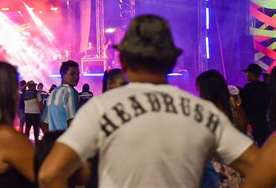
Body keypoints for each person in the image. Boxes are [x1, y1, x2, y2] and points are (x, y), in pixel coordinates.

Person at [39, 15, 258, 188]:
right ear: (172, 62)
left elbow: (50, 175)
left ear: (123, 61)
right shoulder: (202, 111)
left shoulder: (100, 109)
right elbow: (260, 166)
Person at [197, 70, 246, 187]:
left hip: (219, 167)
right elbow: (243, 129)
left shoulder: (209, 111)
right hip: (237, 163)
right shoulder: (233, 107)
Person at [41, 60, 80, 132]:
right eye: (72, 74)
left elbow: (44, 123)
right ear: (62, 74)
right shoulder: (70, 91)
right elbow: (72, 121)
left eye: (78, 74)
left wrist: (51, 140)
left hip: (55, 140)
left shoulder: (53, 92)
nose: (76, 77)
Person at [240, 63, 271, 146]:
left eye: (248, 73)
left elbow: (243, 105)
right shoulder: (266, 87)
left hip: (251, 124)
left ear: (251, 74)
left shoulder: (248, 87)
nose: (247, 75)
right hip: (264, 122)